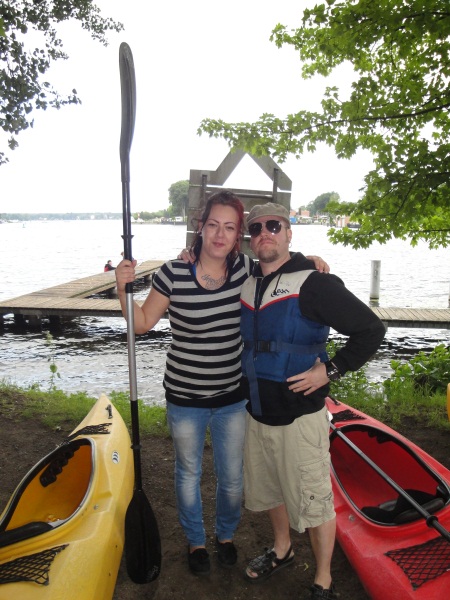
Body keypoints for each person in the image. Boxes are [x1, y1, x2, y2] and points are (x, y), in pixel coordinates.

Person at [115, 191, 329, 577]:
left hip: (233, 396)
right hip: (185, 396)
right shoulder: (173, 272)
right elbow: (142, 323)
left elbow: (280, 264)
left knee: (232, 479)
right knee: (188, 473)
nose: (219, 234)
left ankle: (226, 535)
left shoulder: (247, 269)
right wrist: (121, 288)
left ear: (237, 236)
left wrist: (309, 261)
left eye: (229, 228)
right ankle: (196, 541)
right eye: (213, 224)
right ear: (201, 226)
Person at [239, 203, 386, 599]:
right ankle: (282, 549)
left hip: (300, 417)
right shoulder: (247, 281)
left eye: (274, 226)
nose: (265, 233)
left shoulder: (315, 283)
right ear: (250, 239)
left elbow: (371, 329)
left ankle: (323, 579)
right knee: (270, 490)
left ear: (289, 233)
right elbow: (210, 262)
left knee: (315, 500)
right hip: (257, 413)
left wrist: (331, 370)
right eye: (256, 228)